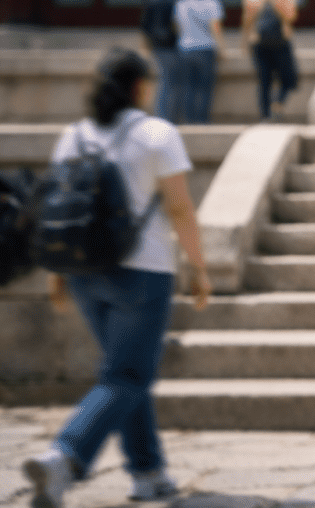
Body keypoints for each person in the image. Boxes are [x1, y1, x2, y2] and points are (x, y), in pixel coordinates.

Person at [21, 48, 211, 508]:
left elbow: (55, 209)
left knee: (125, 375)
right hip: (143, 273)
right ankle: (64, 457)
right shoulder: (156, 132)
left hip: (86, 273)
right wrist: (199, 267)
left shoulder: (74, 135)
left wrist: (57, 274)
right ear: (140, 87)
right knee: (128, 374)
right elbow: (180, 207)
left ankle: (148, 474)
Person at [241, 0, 299, 121]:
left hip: (259, 40)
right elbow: (291, 17)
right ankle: (277, 104)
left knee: (264, 80)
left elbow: (247, 19)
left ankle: (266, 114)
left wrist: (244, 41)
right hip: (280, 40)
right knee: (286, 77)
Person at [138, 0, 188, 123]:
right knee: (170, 83)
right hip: (171, 46)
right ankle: (167, 118)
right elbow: (178, 24)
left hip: (157, 46)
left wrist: (146, 45)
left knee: (166, 81)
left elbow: (144, 24)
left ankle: (164, 117)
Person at [173, 0, 225, 124]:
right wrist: (221, 47)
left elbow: (178, 26)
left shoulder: (181, 3)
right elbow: (215, 28)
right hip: (205, 48)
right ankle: (202, 120)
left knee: (189, 86)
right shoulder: (212, 3)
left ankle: (189, 119)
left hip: (185, 48)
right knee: (205, 88)